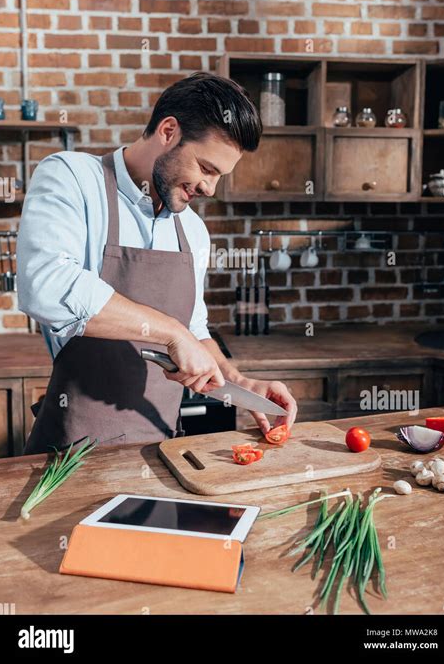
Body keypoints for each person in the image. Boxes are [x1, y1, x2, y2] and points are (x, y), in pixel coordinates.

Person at [17, 72, 297, 454]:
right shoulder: (73, 178)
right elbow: (45, 285)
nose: (209, 188)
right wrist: (171, 333)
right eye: (206, 168)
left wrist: (241, 385)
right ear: (168, 131)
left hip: (160, 454)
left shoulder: (193, 230)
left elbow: (195, 330)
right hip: (68, 456)